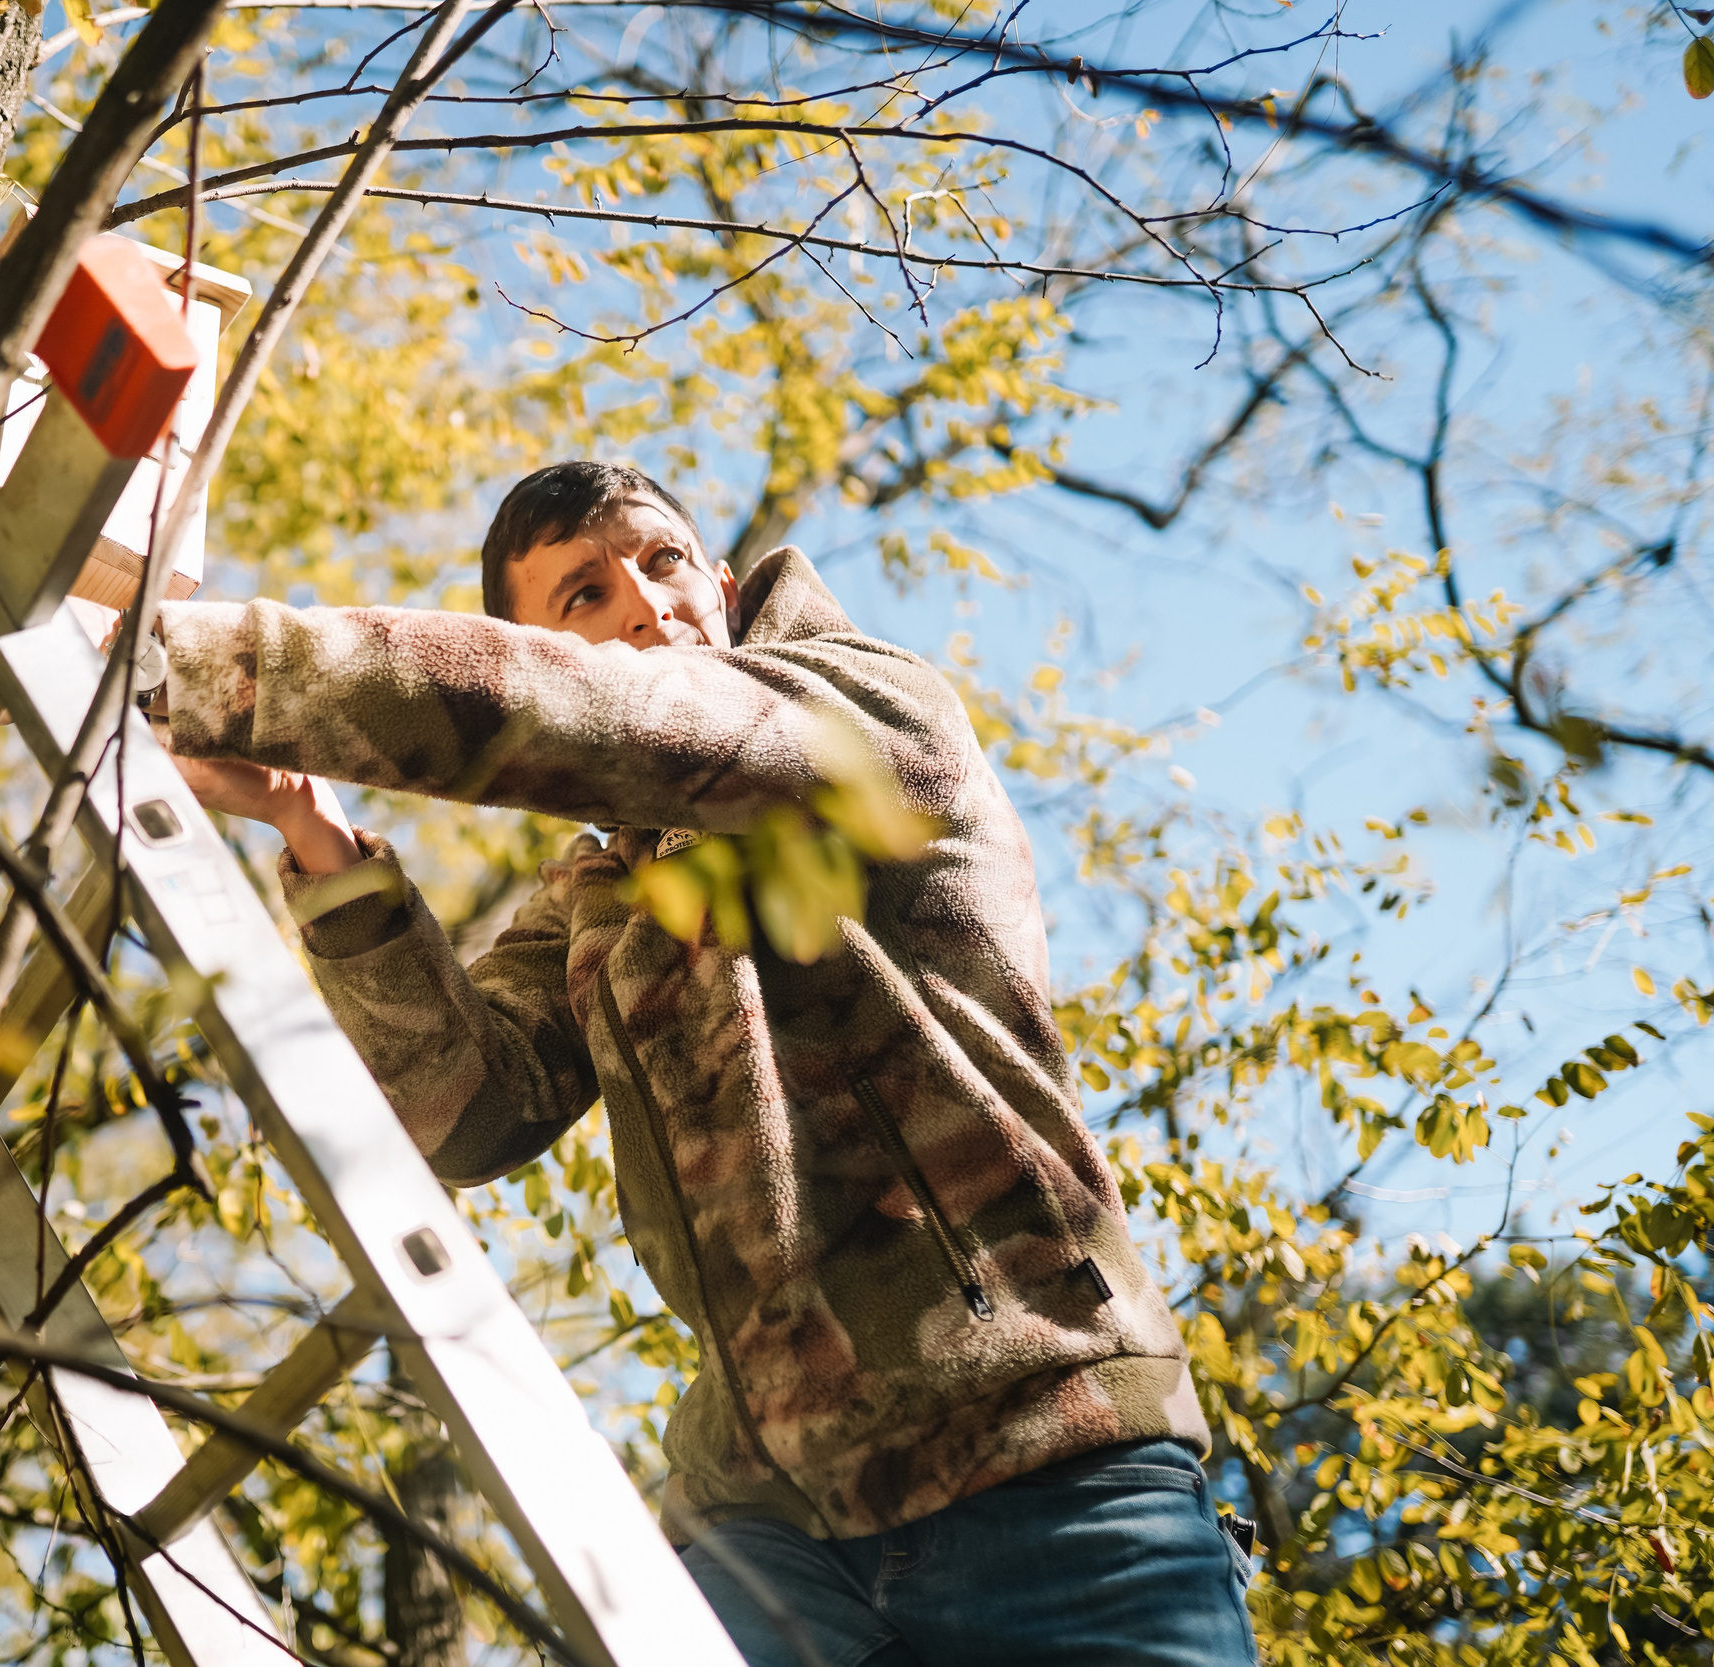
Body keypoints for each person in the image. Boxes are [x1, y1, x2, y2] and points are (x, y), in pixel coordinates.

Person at [152, 461, 1259, 1667]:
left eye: (661, 559)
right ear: (539, 643)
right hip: (764, 1523)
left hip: (1046, 1454)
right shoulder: (595, 897)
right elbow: (466, 1116)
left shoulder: (871, 710)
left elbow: (636, 723)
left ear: (722, 585)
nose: (640, 600)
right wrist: (313, 837)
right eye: (579, 597)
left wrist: (204, 668)